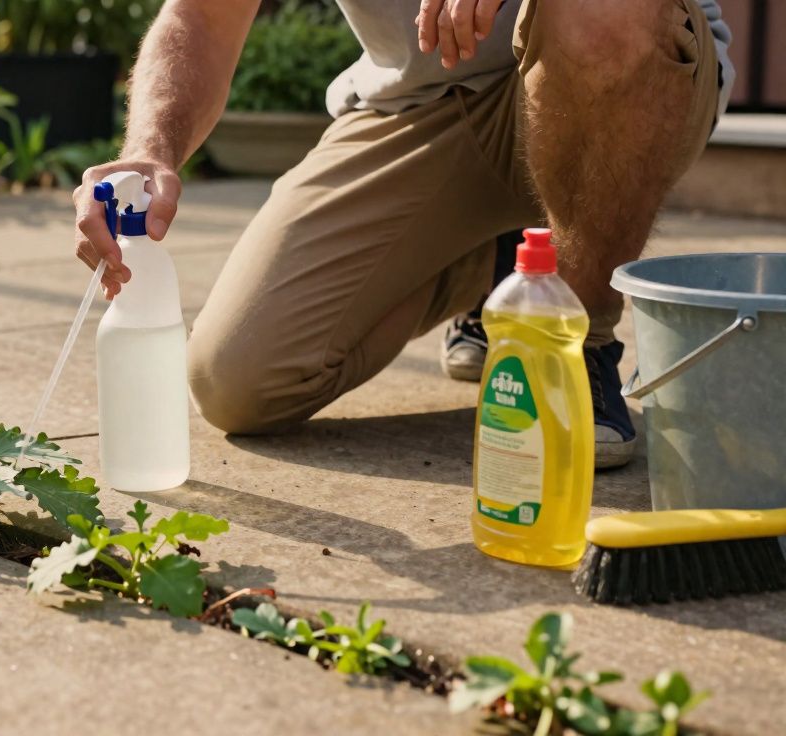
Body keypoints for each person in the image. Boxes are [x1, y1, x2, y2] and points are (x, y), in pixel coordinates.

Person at [71, 0, 733, 470]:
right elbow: (201, 20)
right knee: (238, 379)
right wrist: (151, 149)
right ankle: (507, 266)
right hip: (422, 105)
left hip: (619, 55)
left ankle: (575, 340)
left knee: (600, 15)